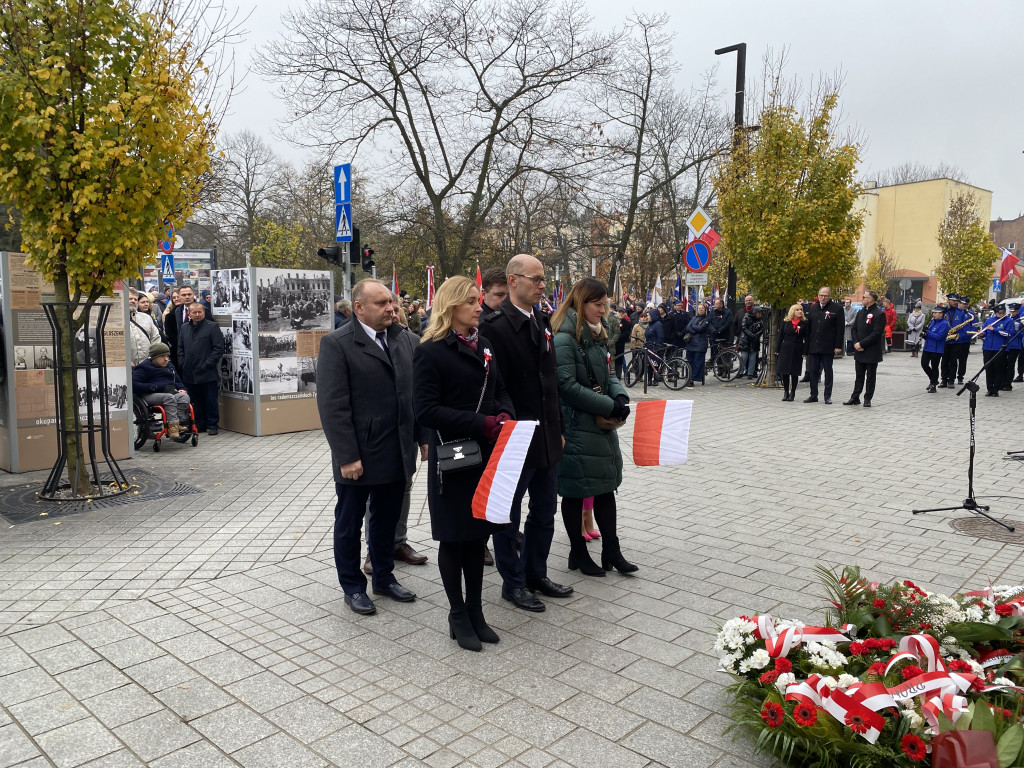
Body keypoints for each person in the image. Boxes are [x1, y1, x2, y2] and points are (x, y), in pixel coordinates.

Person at [414, 276, 514, 650]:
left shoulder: (484, 345)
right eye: (471, 301)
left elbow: (500, 389)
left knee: (478, 537)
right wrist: (482, 423)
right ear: (451, 307)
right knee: (455, 539)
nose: (479, 306)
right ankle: (457, 613)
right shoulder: (430, 350)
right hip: (453, 456)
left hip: (486, 454)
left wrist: (504, 413)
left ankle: (476, 610)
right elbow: (425, 410)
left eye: (478, 300)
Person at [317, 279, 420, 617]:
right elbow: (333, 405)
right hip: (358, 454)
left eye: (392, 302)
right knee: (349, 523)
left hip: (395, 450)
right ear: (359, 307)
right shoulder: (338, 343)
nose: (391, 308)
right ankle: (352, 586)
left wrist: (422, 439)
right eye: (382, 304)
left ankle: (384, 577)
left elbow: (413, 396)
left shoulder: (404, 339)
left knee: (387, 519)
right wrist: (347, 456)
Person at [481, 254, 572, 613]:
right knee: (509, 513)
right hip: (515, 438)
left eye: (543, 279)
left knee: (545, 510)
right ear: (513, 280)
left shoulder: (543, 321)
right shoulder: (493, 328)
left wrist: (559, 430)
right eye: (536, 279)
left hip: (547, 435)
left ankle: (536, 573)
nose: (542, 285)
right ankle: (513, 583)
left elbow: (551, 384)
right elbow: (492, 390)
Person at [550, 277, 636, 577]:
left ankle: (612, 549)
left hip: (596, 428)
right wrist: (607, 406)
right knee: (575, 490)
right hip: (575, 427)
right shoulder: (564, 338)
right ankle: (578, 551)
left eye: (606, 305)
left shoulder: (597, 335)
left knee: (604, 488)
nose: (604, 311)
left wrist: (620, 395)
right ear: (582, 302)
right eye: (599, 305)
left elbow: (608, 372)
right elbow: (567, 386)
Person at [177, 302, 224, 434]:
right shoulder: (185, 328)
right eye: (194, 312)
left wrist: (208, 364)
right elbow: (180, 347)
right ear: (189, 314)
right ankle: (198, 424)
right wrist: (182, 362)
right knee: (195, 401)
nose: (197, 315)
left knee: (210, 400)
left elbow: (218, 348)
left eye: (200, 312)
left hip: (207, 371)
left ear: (204, 312)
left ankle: (212, 425)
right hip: (189, 371)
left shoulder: (212, 327)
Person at [132, 342, 191, 439]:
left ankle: (179, 423)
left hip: (169, 393)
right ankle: (173, 428)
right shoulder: (144, 367)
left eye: (167, 356)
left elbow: (178, 381)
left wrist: (182, 389)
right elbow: (134, 384)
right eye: (162, 356)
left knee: (184, 397)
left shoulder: (170, 366)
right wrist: (154, 386)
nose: (166, 359)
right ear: (154, 357)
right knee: (169, 397)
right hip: (149, 394)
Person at [844, 290, 886, 407]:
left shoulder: (879, 314)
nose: (862, 299)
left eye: (864, 297)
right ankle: (855, 397)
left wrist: (862, 344)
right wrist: (856, 343)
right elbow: (854, 329)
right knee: (859, 376)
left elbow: (876, 333)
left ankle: (867, 398)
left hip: (871, 351)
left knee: (870, 376)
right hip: (859, 350)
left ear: (871, 299)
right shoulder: (860, 312)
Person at [803, 287, 844, 404]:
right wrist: (806, 348)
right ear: (818, 295)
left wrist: (838, 346)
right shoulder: (813, 308)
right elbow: (809, 328)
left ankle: (827, 396)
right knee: (813, 371)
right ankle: (813, 395)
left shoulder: (837, 308)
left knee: (828, 371)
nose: (823, 298)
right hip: (814, 345)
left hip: (828, 346)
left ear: (829, 296)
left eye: (825, 296)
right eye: (821, 295)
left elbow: (840, 329)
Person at [978, 304, 1013, 397]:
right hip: (987, 348)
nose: (1001, 314)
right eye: (999, 313)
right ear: (995, 313)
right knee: (988, 369)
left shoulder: (1009, 321)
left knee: (998, 369)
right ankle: (989, 389)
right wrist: (981, 334)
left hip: (1000, 348)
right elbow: (985, 333)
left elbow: (1008, 334)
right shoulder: (989, 320)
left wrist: (995, 330)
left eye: (1003, 312)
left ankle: (996, 389)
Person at [940, 294, 975, 387]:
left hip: (957, 340)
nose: (956, 302)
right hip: (945, 339)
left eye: (957, 301)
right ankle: (943, 380)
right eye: (953, 300)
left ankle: (951, 380)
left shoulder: (961, 312)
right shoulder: (943, 311)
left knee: (953, 361)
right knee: (944, 361)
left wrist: (960, 335)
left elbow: (964, 326)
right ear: (948, 300)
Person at [775, 304, 808, 401]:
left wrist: (805, 351)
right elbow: (780, 336)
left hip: (797, 348)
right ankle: (786, 392)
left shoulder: (804, 323)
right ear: (792, 311)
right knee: (784, 371)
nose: (800, 311)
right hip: (786, 348)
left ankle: (793, 392)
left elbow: (807, 339)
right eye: (797, 310)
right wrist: (777, 349)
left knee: (794, 372)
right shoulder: (786, 322)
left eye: (801, 310)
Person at [128, 289, 161, 367]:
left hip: (148, 365)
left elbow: (155, 338)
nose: (133, 301)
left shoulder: (146, 318)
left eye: (135, 299)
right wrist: (125, 361)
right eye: (130, 299)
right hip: (127, 368)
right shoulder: (117, 320)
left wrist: (151, 358)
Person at [920, 307, 950, 393]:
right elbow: (929, 335)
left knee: (934, 366)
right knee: (924, 364)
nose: (934, 314)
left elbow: (939, 337)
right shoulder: (932, 322)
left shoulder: (944, 324)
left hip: (937, 349)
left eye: (936, 313)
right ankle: (933, 380)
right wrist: (924, 335)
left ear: (941, 314)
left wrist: (928, 332)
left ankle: (933, 385)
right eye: (933, 313)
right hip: (927, 347)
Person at [684, 304, 710, 386]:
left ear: (705, 310)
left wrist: (693, 327)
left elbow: (702, 328)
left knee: (698, 362)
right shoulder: (694, 318)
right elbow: (687, 327)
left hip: (700, 344)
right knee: (689, 362)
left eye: (702, 308)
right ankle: (688, 378)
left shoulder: (706, 319)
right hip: (691, 344)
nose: (701, 310)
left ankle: (694, 378)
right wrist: (695, 329)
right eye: (699, 308)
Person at [737, 305, 764, 379]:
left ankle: (750, 373)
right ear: (754, 313)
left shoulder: (760, 320)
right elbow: (744, 327)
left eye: (760, 313)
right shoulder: (747, 316)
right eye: (758, 313)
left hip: (754, 340)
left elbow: (762, 329)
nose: (759, 315)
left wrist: (756, 335)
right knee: (744, 357)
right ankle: (740, 371)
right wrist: (751, 335)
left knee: (753, 358)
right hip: (746, 340)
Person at [643, 308, 665, 386]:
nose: (647, 317)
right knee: (649, 364)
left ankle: (655, 380)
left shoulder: (658, 324)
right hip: (649, 347)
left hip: (655, 347)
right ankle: (649, 379)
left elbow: (660, 337)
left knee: (655, 364)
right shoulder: (650, 324)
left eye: (648, 315)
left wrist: (657, 347)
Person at [1004, 303, 1022, 391]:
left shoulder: (1020, 320)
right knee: (1003, 364)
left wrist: (1015, 331)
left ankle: (1008, 384)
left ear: (1018, 311)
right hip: (1005, 345)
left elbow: (1021, 334)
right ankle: (1002, 382)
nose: (1012, 313)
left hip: (1015, 346)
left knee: (1010, 365)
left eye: (1014, 311)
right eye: (1011, 311)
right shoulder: (1006, 319)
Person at [614, 307, 632, 379]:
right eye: (619, 312)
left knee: (619, 360)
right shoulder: (613, 321)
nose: (620, 314)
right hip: (612, 344)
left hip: (620, 344)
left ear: (625, 314)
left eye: (622, 313)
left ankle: (618, 375)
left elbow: (626, 334)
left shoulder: (627, 323)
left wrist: (617, 337)